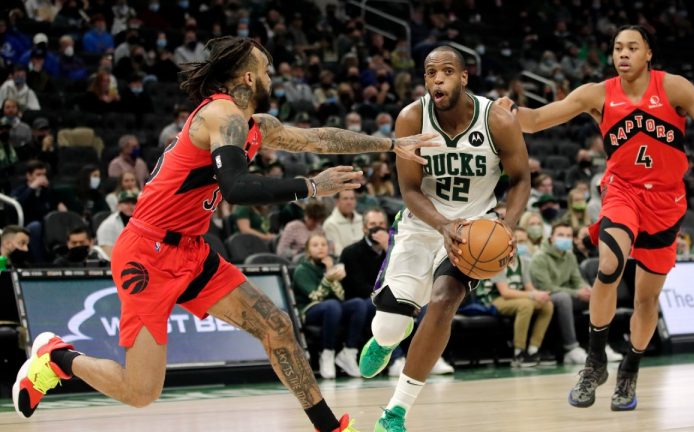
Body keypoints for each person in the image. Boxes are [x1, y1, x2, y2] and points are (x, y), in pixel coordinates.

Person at [13, 36, 436, 432]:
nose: (273, 78)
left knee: (277, 326)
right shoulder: (221, 115)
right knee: (141, 393)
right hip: (147, 253)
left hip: (191, 251)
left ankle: (331, 427)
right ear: (249, 77)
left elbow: (316, 137)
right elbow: (235, 188)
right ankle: (57, 358)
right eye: (267, 71)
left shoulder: (255, 124)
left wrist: (389, 146)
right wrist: (310, 186)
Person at [498, 25, 694, 411]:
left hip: (666, 203)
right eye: (618, 47)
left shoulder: (673, 88)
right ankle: (595, 359)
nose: (624, 54)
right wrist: (508, 111)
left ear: (649, 53)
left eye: (633, 47)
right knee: (609, 264)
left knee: (647, 301)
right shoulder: (598, 93)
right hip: (621, 191)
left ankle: (630, 369)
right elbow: (535, 121)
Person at [358, 46, 530, 431]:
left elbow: (521, 180)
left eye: (447, 71)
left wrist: (509, 225)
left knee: (444, 300)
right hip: (422, 226)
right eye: (430, 72)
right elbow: (409, 189)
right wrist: (441, 225)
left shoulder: (497, 120)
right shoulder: (411, 119)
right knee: (386, 327)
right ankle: (389, 338)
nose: (438, 78)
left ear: (464, 77)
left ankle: (395, 412)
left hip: (473, 229)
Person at [292, 233, 367, 379]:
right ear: (307, 250)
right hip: (311, 310)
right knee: (332, 305)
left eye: (323, 244)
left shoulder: (331, 265)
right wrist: (328, 279)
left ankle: (349, 352)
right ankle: (327, 353)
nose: (320, 247)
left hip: (334, 309)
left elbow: (341, 296)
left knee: (359, 304)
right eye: (315, 245)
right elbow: (315, 296)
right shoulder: (302, 270)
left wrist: (330, 271)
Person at [484, 252, 553, 367]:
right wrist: (532, 295)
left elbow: (529, 288)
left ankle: (533, 349)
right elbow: (505, 293)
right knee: (526, 305)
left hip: (516, 298)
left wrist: (540, 294)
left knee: (547, 305)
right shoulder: (495, 260)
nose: (517, 246)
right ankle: (518, 353)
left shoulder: (523, 262)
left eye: (519, 242)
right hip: (494, 299)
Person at [322, 190, 363, 256]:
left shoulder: (362, 220)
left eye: (352, 198)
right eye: (345, 199)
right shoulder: (330, 224)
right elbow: (337, 252)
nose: (349, 202)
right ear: (337, 202)